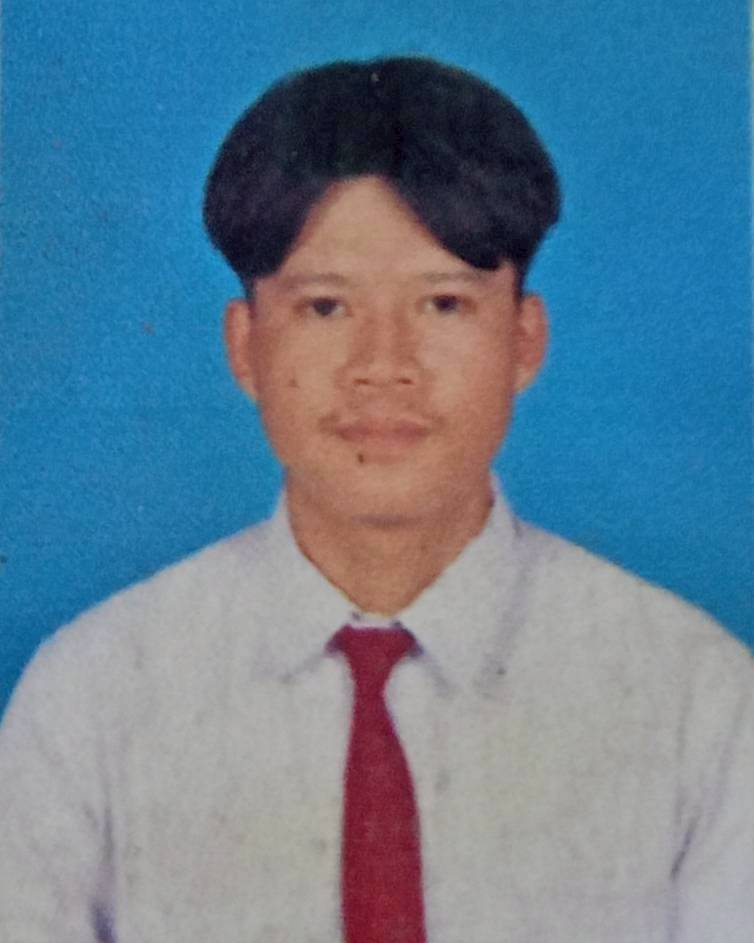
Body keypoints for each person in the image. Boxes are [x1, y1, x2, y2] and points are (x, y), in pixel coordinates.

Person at [1, 56, 752, 943]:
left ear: (525, 340)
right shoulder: (90, 698)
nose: (383, 366)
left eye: (443, 304)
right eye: (326, 308)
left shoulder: (697, 701)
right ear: (244, 347)